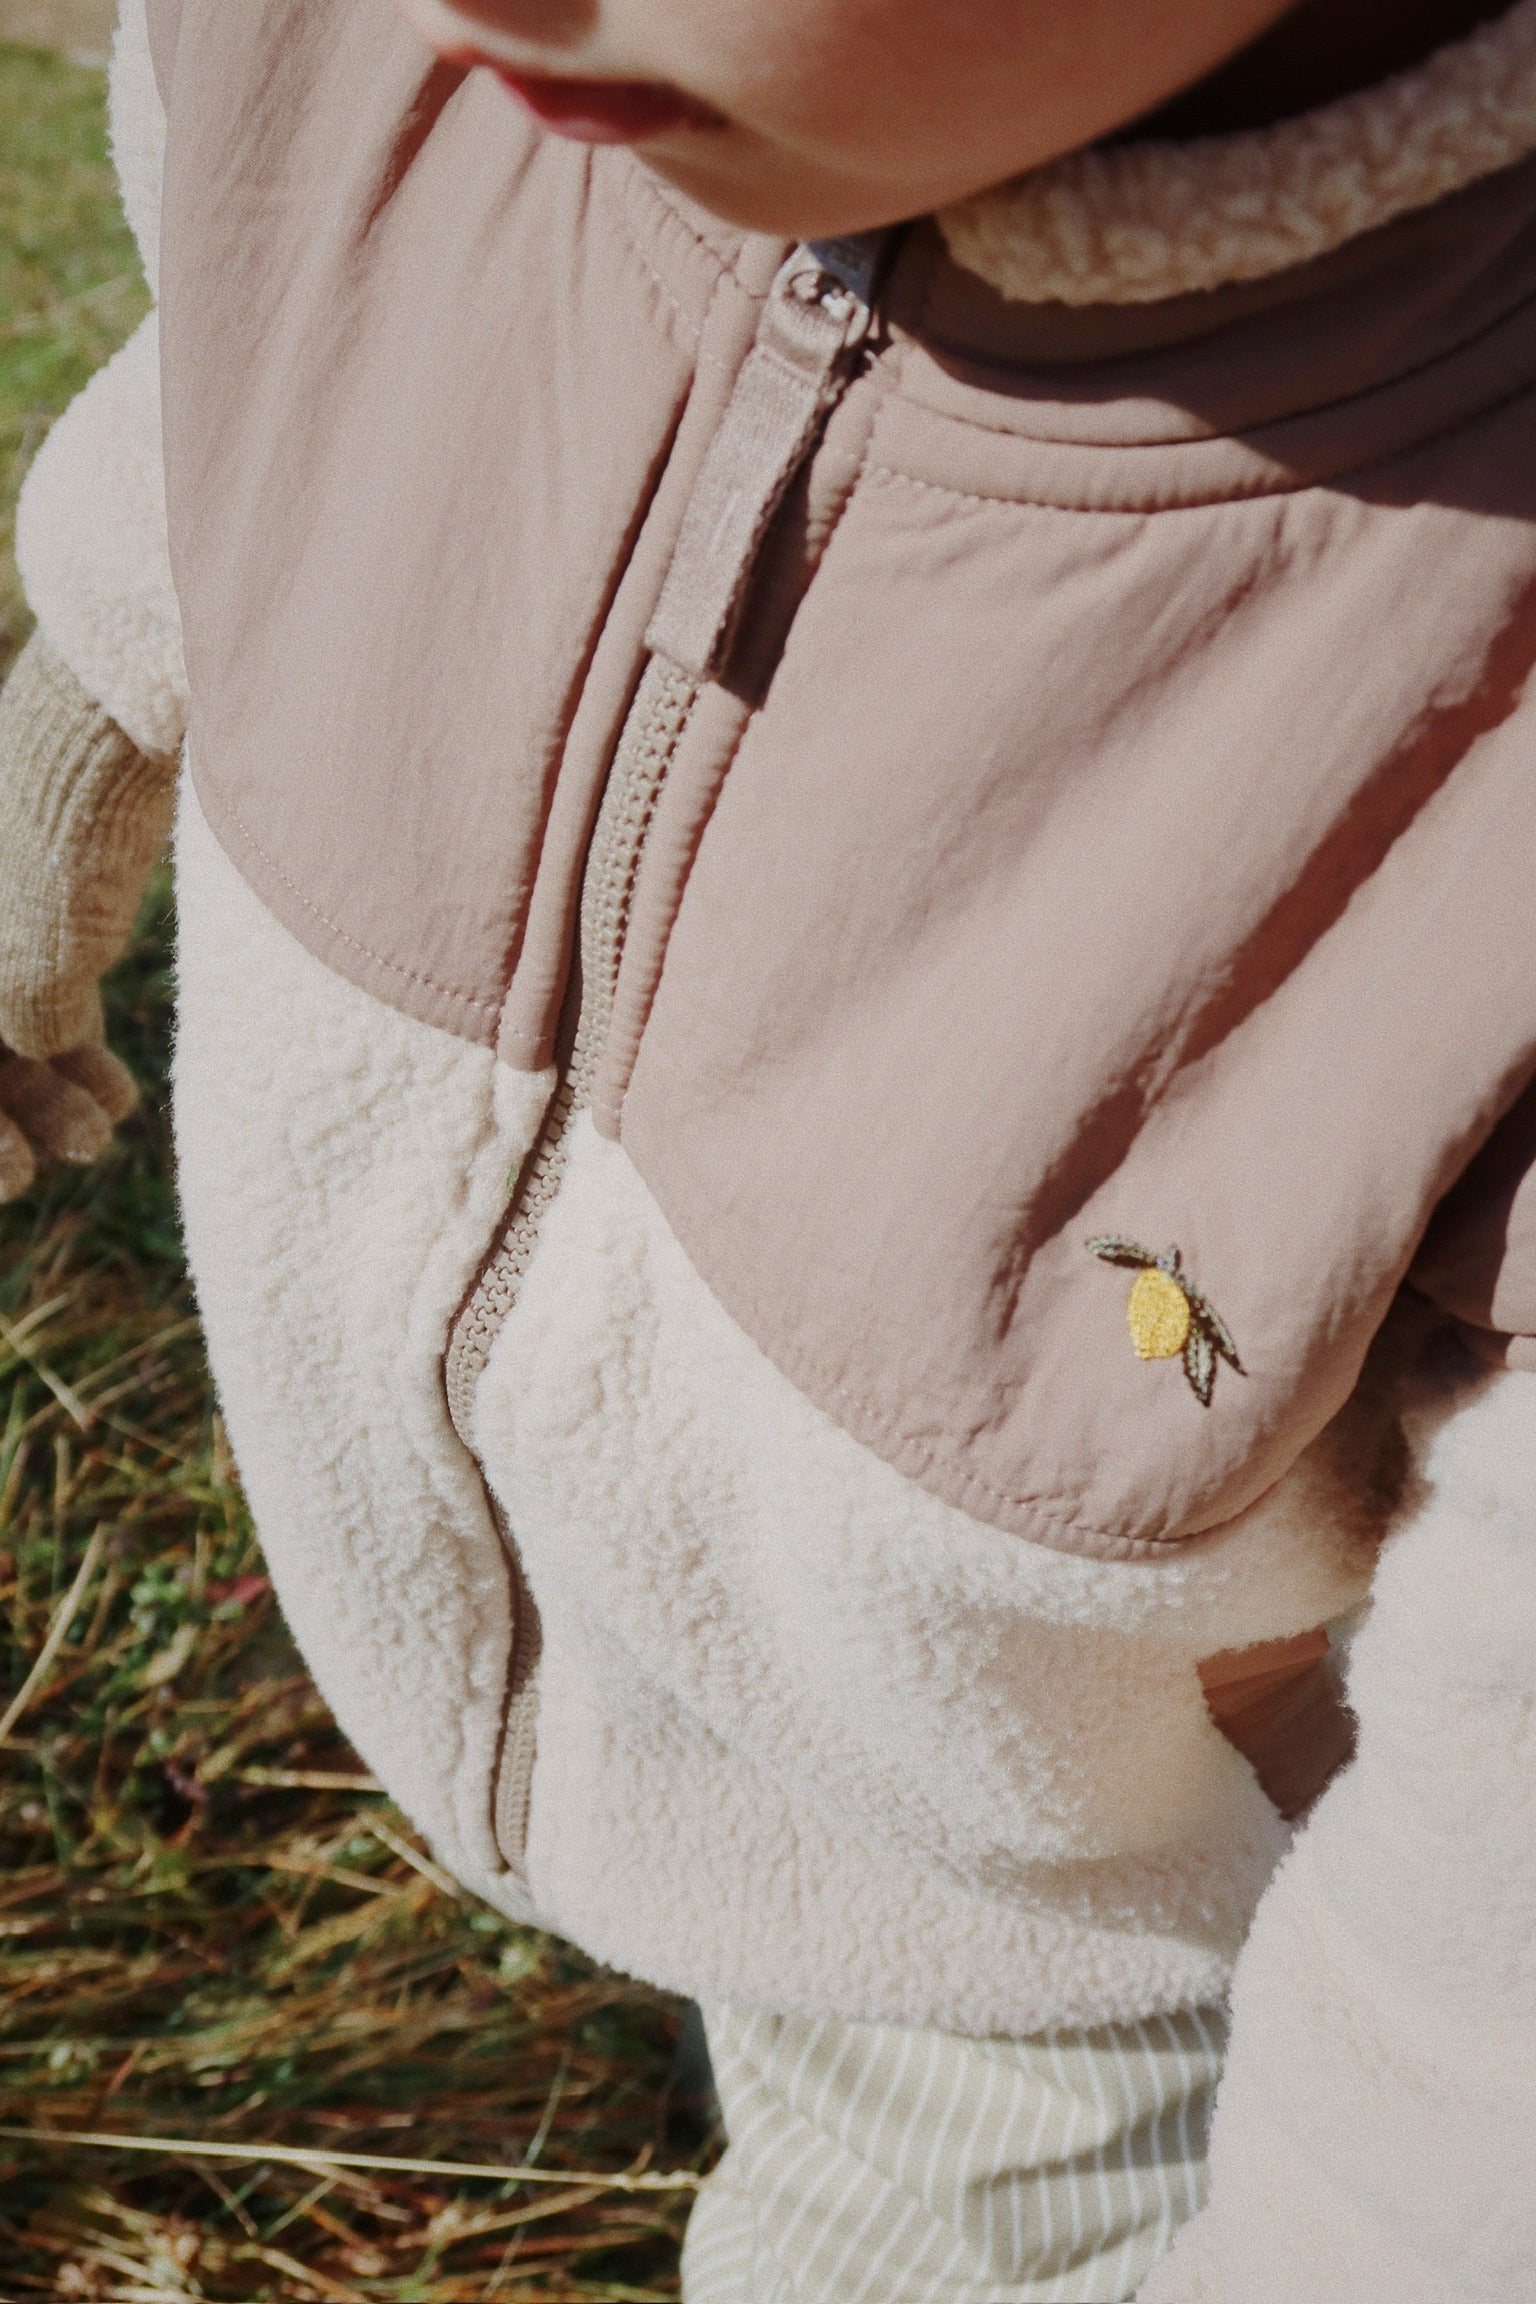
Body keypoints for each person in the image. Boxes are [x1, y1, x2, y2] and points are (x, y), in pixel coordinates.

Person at [2, 0, 1534, 2293]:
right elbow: (276, 339)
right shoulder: (382, 42)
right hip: (676, 1714)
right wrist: (54, 786)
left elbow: (1485, 2038)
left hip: (1037, 1933)